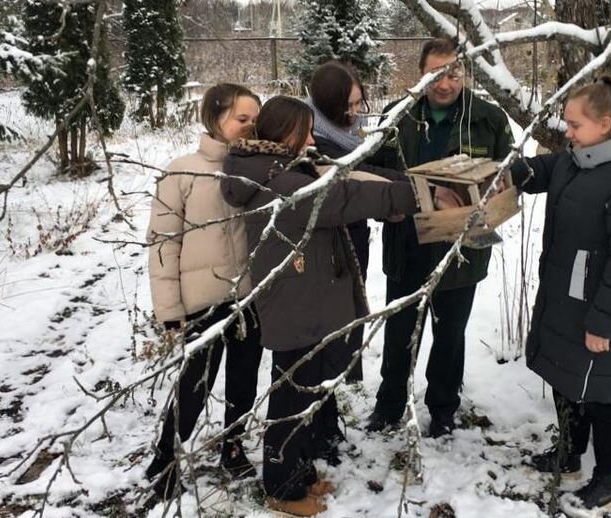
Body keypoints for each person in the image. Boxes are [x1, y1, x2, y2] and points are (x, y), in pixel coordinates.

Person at [220, 96, 417, 516]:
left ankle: (301, 472)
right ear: (285, 133)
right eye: (305, 131)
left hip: (303, 295)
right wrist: (409, 195)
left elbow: (349, 174)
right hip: (294, 302)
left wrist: (399, 182)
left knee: (303, 395)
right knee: (290, 401)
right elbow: (341, 198)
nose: (312, 139)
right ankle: (282, 490)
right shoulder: (278, 180)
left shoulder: (281, 167)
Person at [510, 75, 611, 516]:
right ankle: (569, 453)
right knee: (565, 378)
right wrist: (508, 174)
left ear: (606, 123)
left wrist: (603, 323)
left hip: (600, 307)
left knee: (603, 393)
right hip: (565, 295)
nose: (567, 133)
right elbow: (546, 170)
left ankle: (609, 478)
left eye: (575, 125)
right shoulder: (582, 157)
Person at [366, 37, 514, 438]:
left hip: (461, 249)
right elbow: (371, 172)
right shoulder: (396, 116)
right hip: (406, 244)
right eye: (435, 74)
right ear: (420, 74)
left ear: (465, 72)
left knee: (449, 334)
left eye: (454, 73)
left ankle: (444, 408)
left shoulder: (488, 118)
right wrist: (389, 204)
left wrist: (494, 196)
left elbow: (508, 173)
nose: (445, 83)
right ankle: (389, 404)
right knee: (399, 333)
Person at [145, 84, 265, 499]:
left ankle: (233, 446)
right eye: (241, 119)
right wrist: (169, 309)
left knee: (244, 379)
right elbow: (162, 243)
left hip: (249, 295)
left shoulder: (259, 168)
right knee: (195, 383)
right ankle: (164, 458)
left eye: (255, 120)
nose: (249, 128)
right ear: (215, 118)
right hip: (202, 301)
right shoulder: (183, 172)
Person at [305, 60, 408, 383]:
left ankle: (331, 406)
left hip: (353, 238)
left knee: (347, 316)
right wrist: (412, 188)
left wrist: (383, 205)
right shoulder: (313, 140)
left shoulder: (348, 132)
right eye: (346, 105)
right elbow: (355, 178)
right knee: (330, 324)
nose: (354, 112)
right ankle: (323, 409)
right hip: (328, 246)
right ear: (326, 105)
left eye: (357, 102)